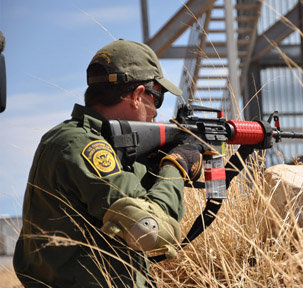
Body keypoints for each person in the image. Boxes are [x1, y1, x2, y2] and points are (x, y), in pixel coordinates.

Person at [13, 39, 203, 287]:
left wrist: (153, 166)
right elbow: (152, 230)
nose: (157, 111)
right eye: (157, 99)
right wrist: (176, 165)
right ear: (137, 96)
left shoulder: (74, 138)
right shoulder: (85, 146)